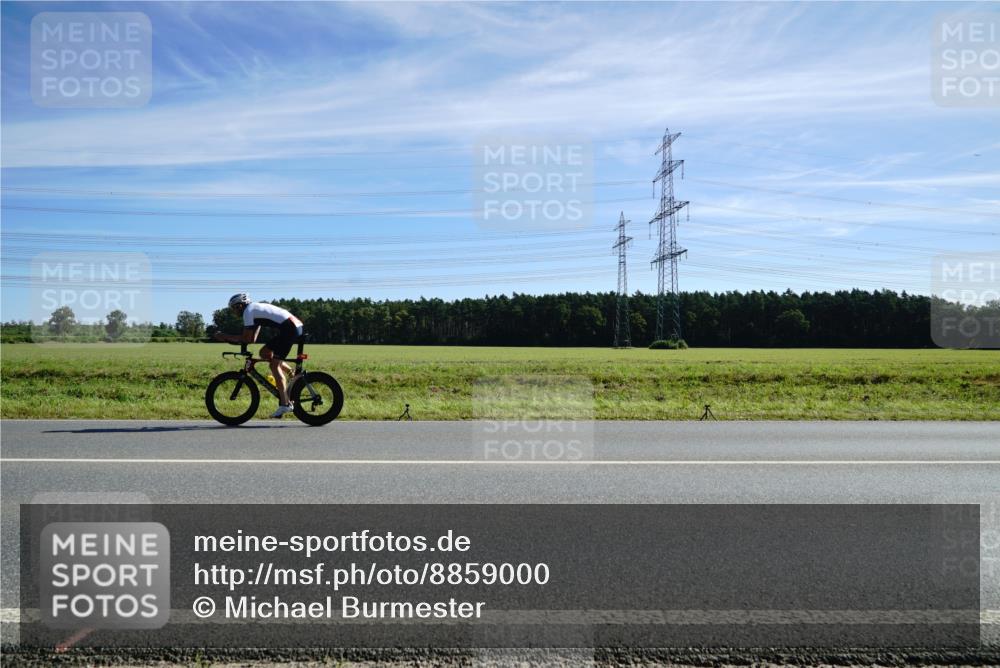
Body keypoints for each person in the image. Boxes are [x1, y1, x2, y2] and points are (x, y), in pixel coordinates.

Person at [214, 293, 304, 418]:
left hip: (290, 328)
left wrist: (224, 336)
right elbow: (251, 339)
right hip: (292, 326)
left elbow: (245, 337)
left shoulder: (248, 312)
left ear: (240, 306)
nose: (233, 312)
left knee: (274, 366)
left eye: (233, 309)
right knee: (264, 353)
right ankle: (291, 372)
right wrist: (231, 339)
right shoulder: (254, 310)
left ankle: (285, 404)